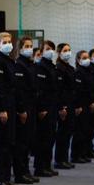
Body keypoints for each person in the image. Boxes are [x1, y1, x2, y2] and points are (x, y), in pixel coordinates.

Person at [0, 32, 19, 185]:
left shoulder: (9, 61)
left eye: (9, 41)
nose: (8, 44)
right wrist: (0, 110)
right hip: (3, 110)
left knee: (9, 144)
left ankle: (6, 177)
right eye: (4, 42)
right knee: (1, 145)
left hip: (11, 107)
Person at [12, 36, 39, 185]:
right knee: (21, 142)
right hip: (24, 108)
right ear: (20, 48)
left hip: (32, 106)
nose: (29, 48)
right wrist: (22, 110)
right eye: (26, 46)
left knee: (28, 141)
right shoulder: (19, 65)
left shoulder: (30, 64)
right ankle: (19, 173)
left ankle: (26, 171)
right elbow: (19, 90)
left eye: (31, 46)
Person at [34, 41, 60, 177]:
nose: (50, 51)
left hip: (53, 106)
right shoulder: (41, 67)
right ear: (42, 51)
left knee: (50, 137)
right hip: (45, 108)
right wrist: (42, 108)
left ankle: (46, 165)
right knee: (43, 138)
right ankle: (40, 167)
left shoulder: (51, 66)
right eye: (47, 49)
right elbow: (40, 90)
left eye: (52, 49)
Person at [54, 43, 77, 169]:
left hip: (71, 103)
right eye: (65, 50)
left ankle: (64, 158)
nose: (68, 52)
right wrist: (62, 107)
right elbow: (59, 90)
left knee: (68, 132)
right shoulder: (59, 68)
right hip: (64, 105)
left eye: (69, 50)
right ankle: (59, 159)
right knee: (62, 133)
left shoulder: (70, 68)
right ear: (59, 52)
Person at [72, 50, 94, 163]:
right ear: (78, 60)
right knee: (79, 132)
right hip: (81, 105)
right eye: (84, 57)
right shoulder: (78, 72)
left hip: (87, 104)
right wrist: (78, 106)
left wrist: (91, 102)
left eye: (88, 57)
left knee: (85, 130)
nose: (87, 59)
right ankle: (76, 155)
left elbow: (90, 90)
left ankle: (82, 153)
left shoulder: (88, 71)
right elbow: (77, 92)